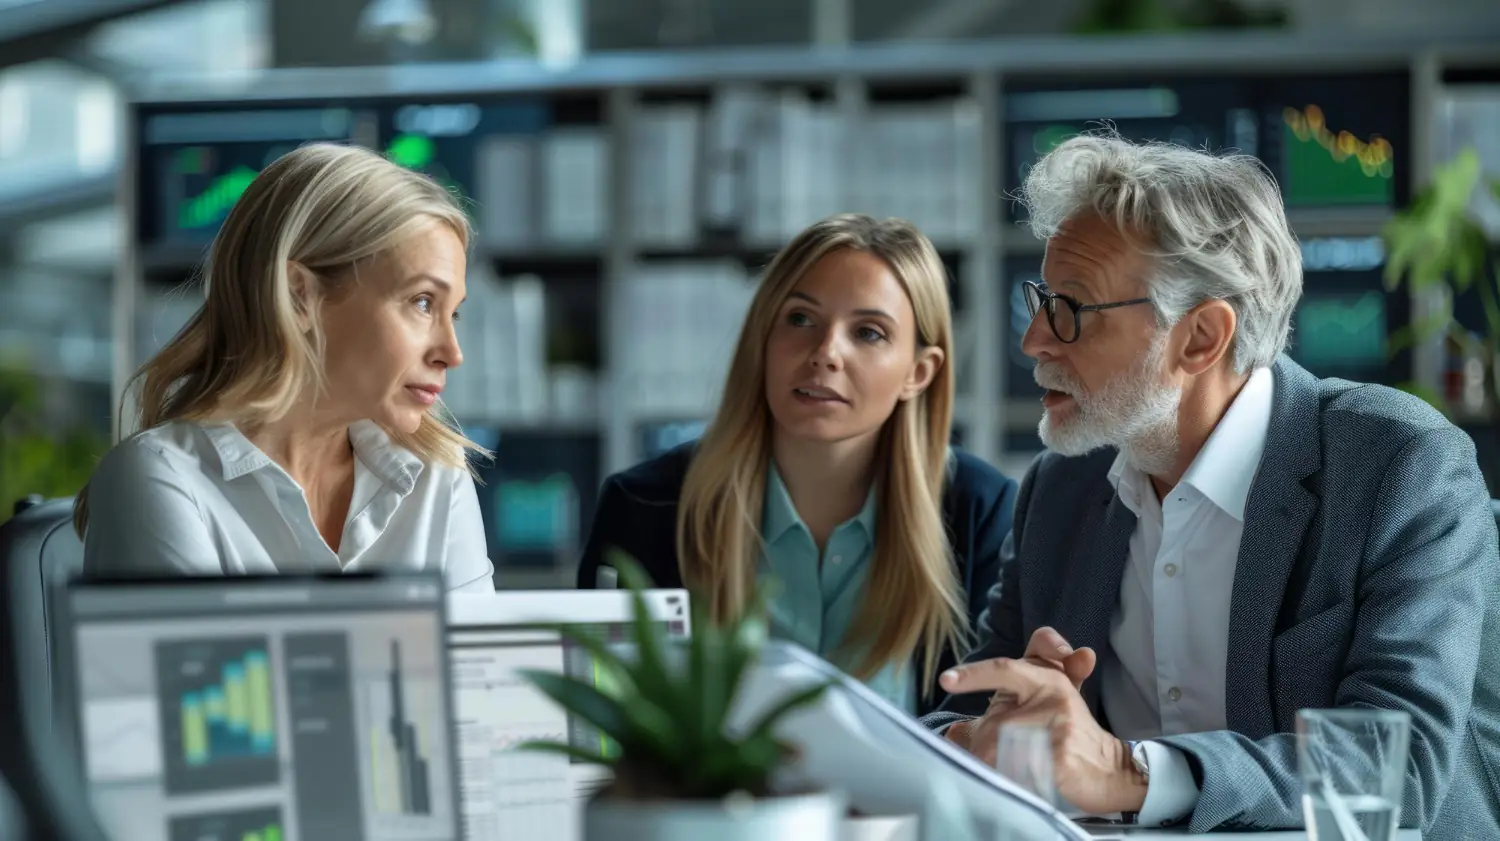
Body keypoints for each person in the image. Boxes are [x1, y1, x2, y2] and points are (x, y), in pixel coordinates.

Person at [926, 132, 1500, 836]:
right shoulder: (1060, 489)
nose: (1034, 342)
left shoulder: (1398, 466)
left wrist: (1126, 770)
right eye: (1041, 299)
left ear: (1200, 337)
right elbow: (974, 700)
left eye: (1070, 310)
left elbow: (1398, 765)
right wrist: (983, 737)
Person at [577, 213, 1018, 715]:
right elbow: (604, 724)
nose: (826, 353)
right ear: (763, 339)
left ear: (918, 373)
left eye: (869, 333)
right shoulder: (643, 508)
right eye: (801, 320)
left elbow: (982, 733)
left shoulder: (980, 512)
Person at [76, 143, 494, 593]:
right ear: (300, 296)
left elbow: (482, 664)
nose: (451, 353)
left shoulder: (436, 479)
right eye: (422, 302)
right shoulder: (160, 479)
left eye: (452, 313)